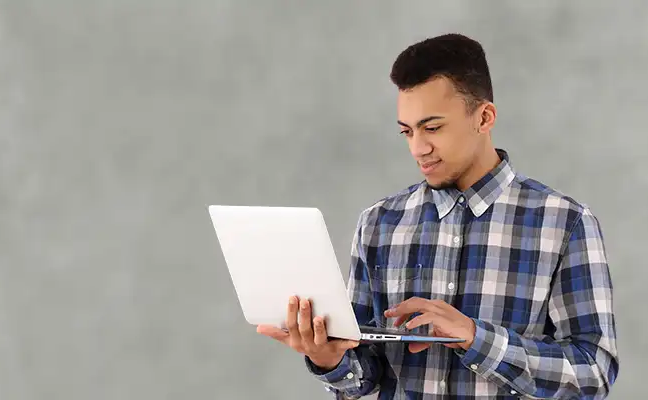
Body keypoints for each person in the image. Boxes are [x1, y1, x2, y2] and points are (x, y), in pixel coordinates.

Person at [254, 33, 620, 399]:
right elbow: (364, 378)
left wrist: (477, 338)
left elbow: (594, 374)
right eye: (407, 131)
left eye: (432, 128)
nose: (418, 148)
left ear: (485, 117)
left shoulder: (564, 223)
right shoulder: (379, 224)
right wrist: (330, 359)